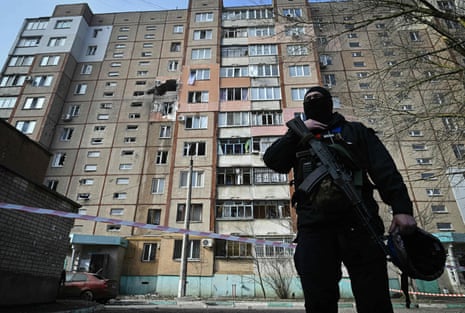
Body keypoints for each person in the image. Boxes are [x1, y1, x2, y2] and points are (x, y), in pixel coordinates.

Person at [263, 86, 417, 313]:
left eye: (319, 98)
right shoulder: (299, 137)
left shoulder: (355, 132)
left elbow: (384, 170)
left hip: (359, 222)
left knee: (373, 297)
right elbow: (273, 160)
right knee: (318, 299)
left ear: (329, 103)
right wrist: (296, 133)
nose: (314, 101)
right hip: (314, 227)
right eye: (309, 99)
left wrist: (402, 209)